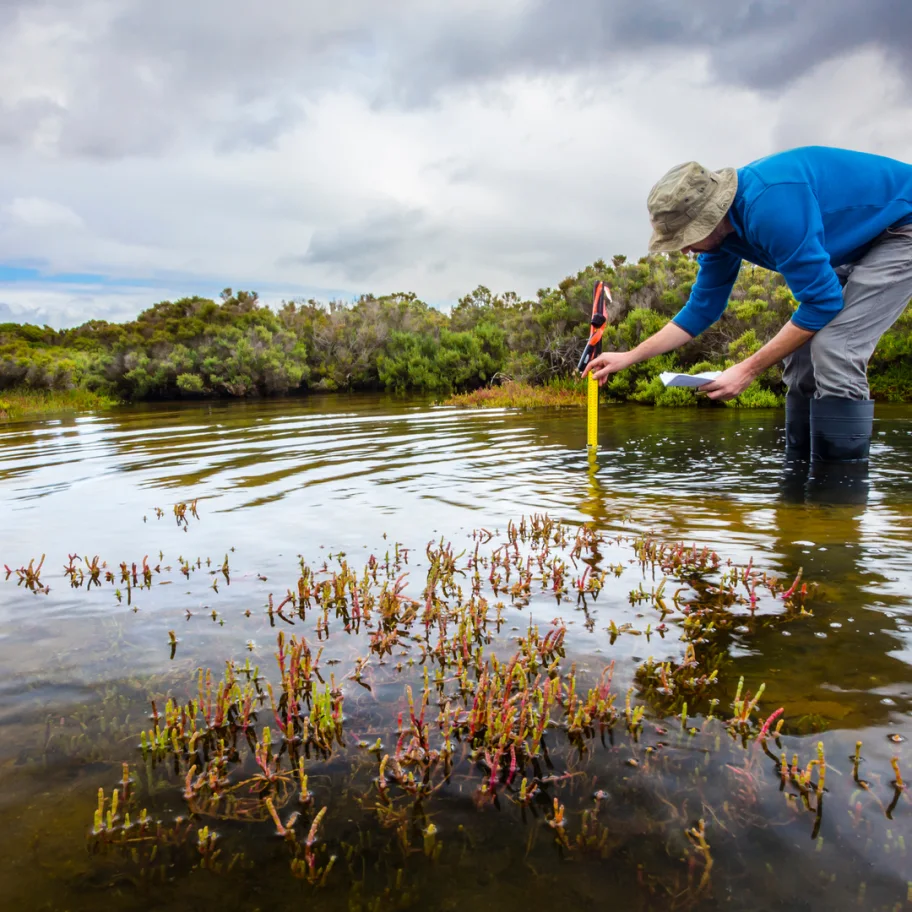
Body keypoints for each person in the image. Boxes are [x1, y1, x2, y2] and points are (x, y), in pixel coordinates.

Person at [582, 146, 912, 463]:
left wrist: (747, 370)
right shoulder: (721, 239)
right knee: (800, 353)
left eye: (685, 238)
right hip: (861, 239)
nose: (684, 251)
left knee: (834, 346)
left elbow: (822, 303)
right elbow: (702, 308)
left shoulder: (770, 208)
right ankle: (799, 482)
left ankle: (840, 494)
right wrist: (630, 357)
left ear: (710, 219)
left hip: (902, 227)